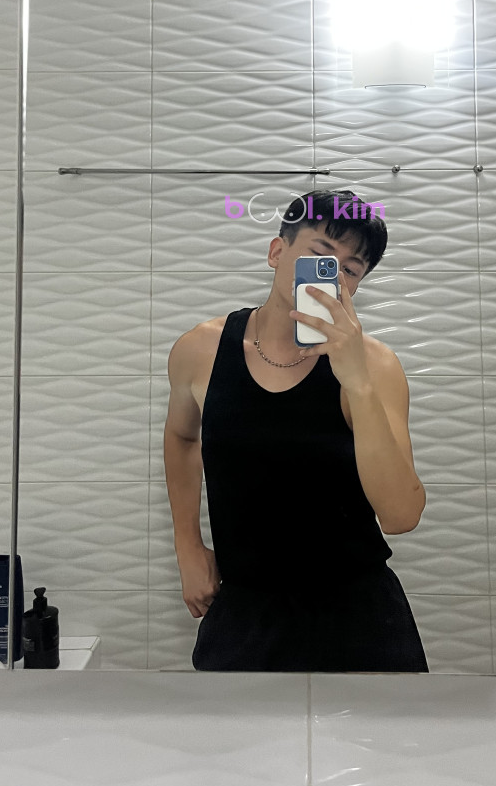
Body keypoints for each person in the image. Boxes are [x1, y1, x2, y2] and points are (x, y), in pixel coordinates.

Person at [163, 188, 428, 672]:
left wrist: (357, 381)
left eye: (350, 269)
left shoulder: (376, 366)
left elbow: (400, 515)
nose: (333, 275)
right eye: (320, 255)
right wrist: (188, 544)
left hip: (359, 615)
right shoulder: (200, 350)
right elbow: (182, 437)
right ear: (276, 252)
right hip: (244, 610)